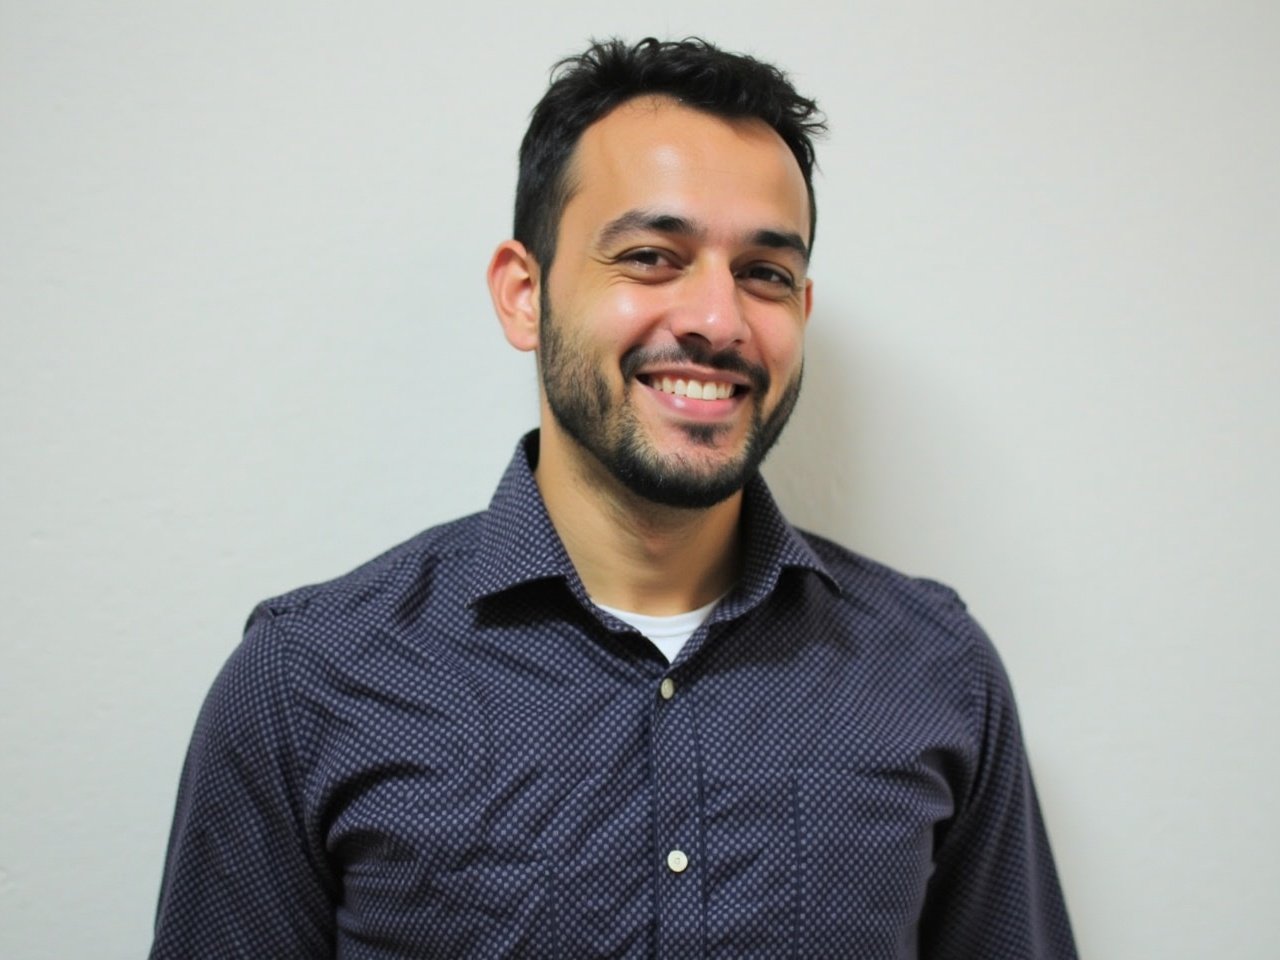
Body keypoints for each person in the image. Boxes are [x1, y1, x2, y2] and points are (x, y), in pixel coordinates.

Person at [150, 37, 1078, 958]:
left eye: (764, 274)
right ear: (525, 295)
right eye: (650, 255)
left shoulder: (937, 671)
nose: (717, 320)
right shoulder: (306, 684)